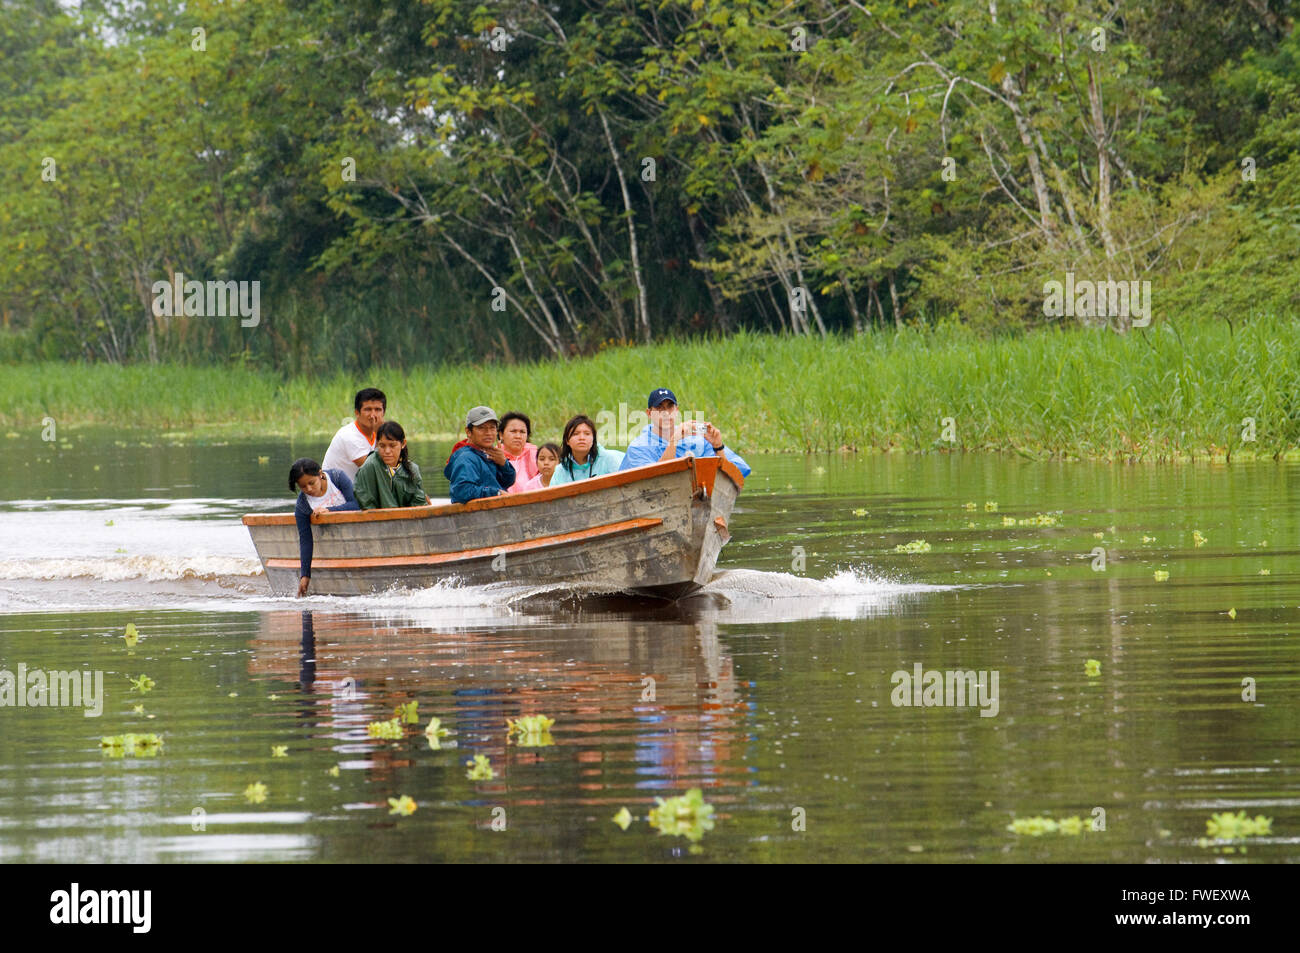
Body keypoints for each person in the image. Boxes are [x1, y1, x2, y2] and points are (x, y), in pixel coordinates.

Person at [619, 387, 752, 476]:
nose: (666, 413)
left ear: (676, 410)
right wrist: (674, 440)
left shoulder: (697, 440)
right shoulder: (638, 448)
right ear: (649, 413)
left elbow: (739, 471)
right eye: (659, 408)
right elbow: (656, 480)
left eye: (670, 407)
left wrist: (718, 447)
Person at [288, 458, 360, 597]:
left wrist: (330, 510)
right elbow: (306, 541)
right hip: (336, 547)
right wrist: (305, 576)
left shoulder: (337, 477)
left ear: (320, 474)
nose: (309, 489)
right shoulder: (303, 505)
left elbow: (356, 504)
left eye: (312, 483)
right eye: (303, 487)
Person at [444, 406, 516, 504]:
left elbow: (507, 482)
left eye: (492, 428)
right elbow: (462, 492)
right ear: (468, 432)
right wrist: (496, 493)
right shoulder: (465, 458)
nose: (488, 433)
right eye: (481, 428)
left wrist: (504, 464)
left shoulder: (489, 452)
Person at [353, 421, 429, 509]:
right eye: (382, 446)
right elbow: (365, 501)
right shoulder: (370, 466)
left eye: (392, 445)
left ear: (403, 444)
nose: (387, 451)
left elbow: (419, 502)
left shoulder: (412, 469)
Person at [322, 387, 386, 481]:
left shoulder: (380, 432)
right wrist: (379, 434)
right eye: (368, 409)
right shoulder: (349, 436)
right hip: (336, 491)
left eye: (377, 410)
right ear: (357, 413)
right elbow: (371, 470)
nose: (373, 415)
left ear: (383, 413)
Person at [549, 414, 626, 484]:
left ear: (593, 439)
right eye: (575, 434)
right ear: (567, 440)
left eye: (587, 434)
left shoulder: (608, 459)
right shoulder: (561, 469)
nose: (582, 438)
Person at [499, 411, 540, 493]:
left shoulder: (536, 455)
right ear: (501, 435)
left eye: (522, 432)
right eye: (513, 431)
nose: (518, 436)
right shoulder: (493, 456)